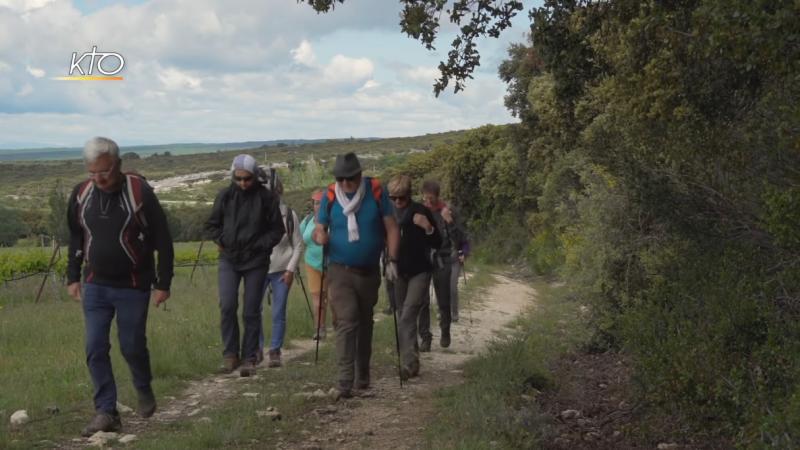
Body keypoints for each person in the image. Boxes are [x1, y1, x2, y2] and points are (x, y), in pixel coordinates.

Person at [66, 137, 174, 437]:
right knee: (94, 347)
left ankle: (143, 386)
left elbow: (163, 239)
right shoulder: (81, 194)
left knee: (131, 345)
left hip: (133, 284)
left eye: (104, 171)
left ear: (117, 165)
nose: (98, 178)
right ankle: (106, 411)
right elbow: (76, 237)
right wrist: (72, 275)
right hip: (95, 284)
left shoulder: (139, 193)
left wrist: (163, 283)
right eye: (92, 172)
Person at [313, 152, 400, 398]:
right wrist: (321, 237)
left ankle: (363, 375)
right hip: (339, 269)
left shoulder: (376, 192)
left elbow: (392, 227)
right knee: (347, 320)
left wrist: (393, 260)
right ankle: (344, 381)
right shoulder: (330, 196)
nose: (344, 184)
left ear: (359, 175)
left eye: (349, 179)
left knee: (364, 322)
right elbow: (319, 229)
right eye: (340, 179)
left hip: (369, 270)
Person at [205, 154, 284, 377]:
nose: (242, 183)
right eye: (238, 178)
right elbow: (211, 225)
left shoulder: (266, 198)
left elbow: (277, 230)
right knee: (227, 305)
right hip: (229, 259)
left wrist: (260, 246)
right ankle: (230, 354)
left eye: (247, 179)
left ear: (255, 176)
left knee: (251, 310)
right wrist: (220, 241)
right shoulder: (225, 196)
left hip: (256, 261)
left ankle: (250, 356)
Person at [388, 175, 441, 380]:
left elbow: (438, 241)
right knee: (402, 313)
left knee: (408, 314)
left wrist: (428, 227)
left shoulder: (421, 211)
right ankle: (413, 359)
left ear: (409, 195)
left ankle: (408, 364)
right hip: (398, 271)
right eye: (394, 198)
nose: (398, 202)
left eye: (401, 198)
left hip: (420, 271)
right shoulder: (389, 214)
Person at [261, 178, 304, 368]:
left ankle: (275, 350)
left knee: (278, 311)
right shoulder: (256, 214)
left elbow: (298, 245)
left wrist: (290, 269)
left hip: (281, 271)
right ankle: (256, 349)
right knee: (253, 311)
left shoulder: (289, 215)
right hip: (258, 269)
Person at [421, 180, 469, 330]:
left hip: (448, 257)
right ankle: (425, 334)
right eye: (425, 198)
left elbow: (461, 237)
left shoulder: (449, 210)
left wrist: (449, 221)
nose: (428, 202)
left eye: (431, 199)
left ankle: (448, 320)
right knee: (423, 297)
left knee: (448, 289)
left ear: (438, 196)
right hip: (426, 257)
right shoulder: (421, 210)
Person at [300, 189, 333, 340]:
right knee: (317, 299)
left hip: (332, 264)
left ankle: (338, 324)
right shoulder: (307, 221)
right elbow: (298, 241)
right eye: (316, 203)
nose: (318, 206)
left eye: (321, 202)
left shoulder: (334, 220)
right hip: (312, 264)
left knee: (331, 297)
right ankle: (319, 328)